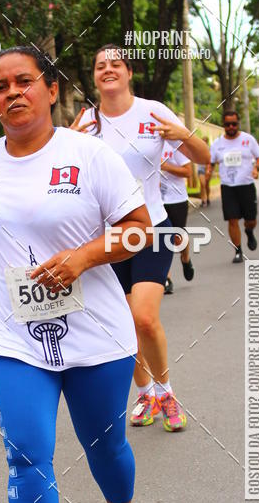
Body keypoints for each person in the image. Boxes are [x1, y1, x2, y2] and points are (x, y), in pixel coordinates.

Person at [0, 45, 154, 503]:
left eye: (24, 81)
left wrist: (86, 257)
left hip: (95, 334)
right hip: (15, 336)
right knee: (25, 451)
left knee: (105, 447)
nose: (12, 93)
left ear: (49, 89)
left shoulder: (90, 156)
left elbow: (141, 233)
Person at [71, 45, 210, 430]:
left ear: (128, 72)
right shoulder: (85, 121)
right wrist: (66, 141)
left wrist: (184, 134)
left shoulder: (153, 112)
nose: (108, 69)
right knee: (121, 321)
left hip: (152, 228)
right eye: (100, 65)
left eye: (115, 64)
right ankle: (145, 393)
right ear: (95, 77)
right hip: (108, 238)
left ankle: (165, 390)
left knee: (143, 317)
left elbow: (200, 157)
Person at [206, 110, 259, 264]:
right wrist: (208, 173)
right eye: (227, 124)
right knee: (232, 219)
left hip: (246, 185)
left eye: (234, 124)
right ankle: (238, 250)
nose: (231, 127)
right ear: (223, 125)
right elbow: (211, 163)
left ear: (238, 124)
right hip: (228, 186)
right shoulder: (217, 144)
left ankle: (249, 231)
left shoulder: (248, 139)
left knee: (250, 219)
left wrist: (256, 168)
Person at [159, 143, 194, 296]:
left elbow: (188, 171)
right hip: (155, 201)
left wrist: (166, 166)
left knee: (178, 238)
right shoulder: (142, 145)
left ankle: (185, 258)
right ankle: (166, 279)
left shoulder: (174, 146)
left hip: (176, 199)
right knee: (162, 240)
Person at [198, 136, 211, 205]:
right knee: (202, 184)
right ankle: (203, 200)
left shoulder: (209, 149)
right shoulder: (198, 149)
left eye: (205, 141)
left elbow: (210, 161)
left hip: (207, 168)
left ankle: (208, 198)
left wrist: (208, 170)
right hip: (200, 168)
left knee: (206, 185)